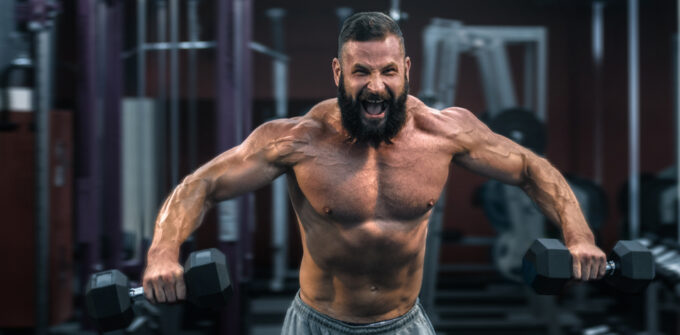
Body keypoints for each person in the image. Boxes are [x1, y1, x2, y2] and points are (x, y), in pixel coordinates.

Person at [142, 11, 606, 335]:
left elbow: (531, 167)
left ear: (406, 70)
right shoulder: (296, 141)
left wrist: (579, 234)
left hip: (404, 323)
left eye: (387, 70)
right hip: (316, 324)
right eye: (360, 71)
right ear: (338, 73)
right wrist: (163, 253)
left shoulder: (446, 133)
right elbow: (198, 184)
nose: (376, 85)